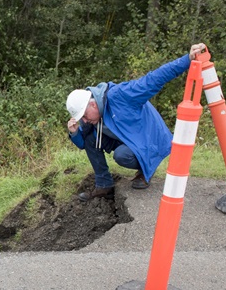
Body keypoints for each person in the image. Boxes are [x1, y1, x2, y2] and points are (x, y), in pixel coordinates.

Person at [66, 43, 207, 201]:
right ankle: (104, 185)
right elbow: (84, 144)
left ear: (92, 104)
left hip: (148, 139)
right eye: (82, 118)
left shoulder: (121, 95)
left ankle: (145, 170)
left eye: (84, 116)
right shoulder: (91, 115)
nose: (85, 120)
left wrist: (187, 60)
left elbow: (154, 79)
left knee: (122, 156)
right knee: (91, 138)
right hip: (126, 139)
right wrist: (75, 133)